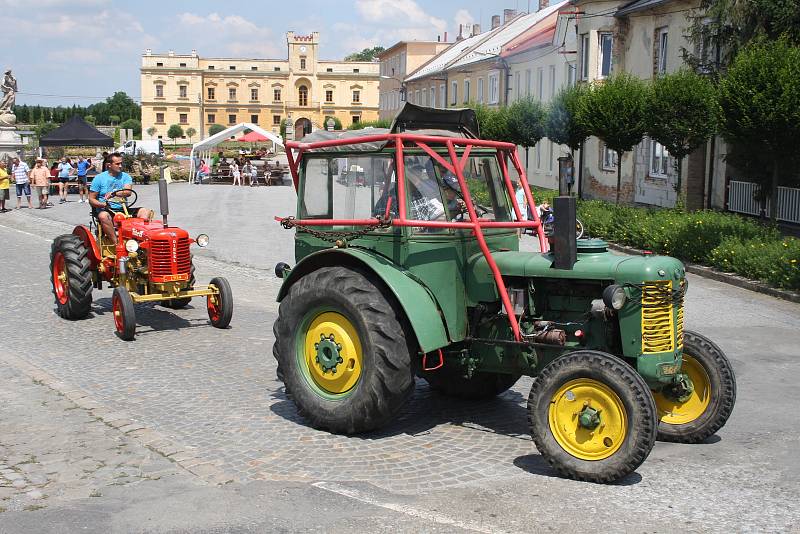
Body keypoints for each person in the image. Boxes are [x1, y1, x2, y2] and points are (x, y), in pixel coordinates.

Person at [89, 153, 151, 245]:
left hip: (123, 209)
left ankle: (137, 242)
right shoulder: (99, 178)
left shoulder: (125, 177)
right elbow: (91, 199)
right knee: (103, 216)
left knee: (145, 211)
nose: (120, 166)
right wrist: (102, 204)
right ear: (109, 165)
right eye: (117, 164)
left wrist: (115, 193)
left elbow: (128, 192)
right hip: (107, 209)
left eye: (121, 163)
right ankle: (117, 243)